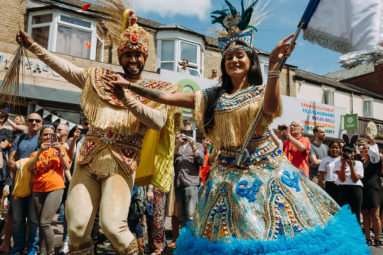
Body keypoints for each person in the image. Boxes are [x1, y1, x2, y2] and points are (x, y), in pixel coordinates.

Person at [103, 4, 367, 251]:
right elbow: (167, 97)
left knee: (274, 236)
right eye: (229, 57)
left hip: (267, 173)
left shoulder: (260, 92)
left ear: (250, 61)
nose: (234, 60)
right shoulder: (212, 95)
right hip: (225, 178)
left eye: (240, 55)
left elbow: (270, 108)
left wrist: (274, 67)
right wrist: (131, 87)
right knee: (227, 241)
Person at [16, 6, 181, 254]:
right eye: (127, 54)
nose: (133, 59)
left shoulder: (154, 90)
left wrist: (126, 96)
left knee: (114, 227)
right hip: (89, 161)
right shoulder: (100, 79)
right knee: (77, 228)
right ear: (120, 56)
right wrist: (33, 46)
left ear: (145, 58)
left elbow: (157, 122)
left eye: (138, 55)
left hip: (122, 164)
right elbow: (67, 69)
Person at [28, 124, 71, 255]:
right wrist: (40, 152)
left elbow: (66, 167)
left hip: (55, 188)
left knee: (44, 222)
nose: (47, 137)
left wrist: (60, 151)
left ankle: (50, 252)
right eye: (45, 134)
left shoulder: (60, 149)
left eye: (50, 134)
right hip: (38, 189)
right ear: (40, 137)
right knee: (42, 225)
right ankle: (43, 251)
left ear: (55, 136)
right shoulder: (35, 153)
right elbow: (30, 168)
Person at [8, 113, 42, 255]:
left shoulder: (44, 138)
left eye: (37, 120)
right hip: (19, 183)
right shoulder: (19, 138)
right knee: (18, 219)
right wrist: (15, 164)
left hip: (36, 185)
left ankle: (33, 248)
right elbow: (11, 159)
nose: (34, 122)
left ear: (41, 123)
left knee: (34, 220)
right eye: (31, 120)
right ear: (26, 123)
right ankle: (18, 247)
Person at [173, 122, 204, 228]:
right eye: (184, 132)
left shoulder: (198, 145)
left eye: (188, 132)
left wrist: (193, 146)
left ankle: (190, 241)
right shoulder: (178, 146)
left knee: (191, 216)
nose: (186, 135)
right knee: (181, 217)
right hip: (178, 184)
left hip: (191, 184)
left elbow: (201, 162)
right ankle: (182, 241)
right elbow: (169, 162)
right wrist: (176, 146)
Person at [359, 133, 382, 246]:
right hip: (363, 189)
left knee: (375, 215)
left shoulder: (375, 159)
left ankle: (377, 238)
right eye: (364, 148)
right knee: (365, 214)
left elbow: (375, 152)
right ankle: (367, 238)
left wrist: (372, 140)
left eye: (368, 148)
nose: (366, 150)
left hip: (374, 189)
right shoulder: (359, 162)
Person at [336, 135, 364, 225]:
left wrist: (351, 165)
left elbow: (355, 179)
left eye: (350, 151)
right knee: (343, 213)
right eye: (345, 151)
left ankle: (356, 237)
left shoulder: (359, 163)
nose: (347, 153)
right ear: (342, 152)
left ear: (354, 153)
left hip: (355, 189)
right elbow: (342, 179)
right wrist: (343, 164)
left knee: (356, 214)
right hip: (343, 188)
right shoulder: (338, 162)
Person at [145, 184, 167, 255]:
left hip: (157, 186)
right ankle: (153, 246)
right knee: (150, 217)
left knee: (157, 218)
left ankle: (158, 247)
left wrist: (150, 189)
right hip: (154, 186)